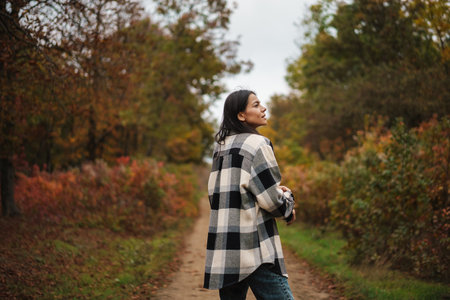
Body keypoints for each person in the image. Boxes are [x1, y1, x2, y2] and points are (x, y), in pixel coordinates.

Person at [204, 89, 296, 300]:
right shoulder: (258, 144)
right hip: (254, 248)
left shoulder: (221, 148)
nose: (263, 108)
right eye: (256, 105)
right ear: (241, 115)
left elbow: (222, 193)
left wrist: (271, 190)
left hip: (226, 249)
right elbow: (271, 201)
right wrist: (288, 202)